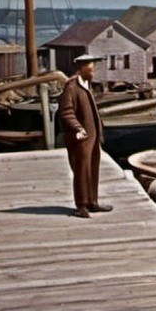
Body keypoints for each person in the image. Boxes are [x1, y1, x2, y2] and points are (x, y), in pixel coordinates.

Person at [57, 54, 112, 218]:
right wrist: (77, 128)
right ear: (80, 68)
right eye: (89, 64)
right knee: (81, 170)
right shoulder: (72, 87)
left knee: (92, 168)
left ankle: (92, 201)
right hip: (80, 137)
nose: (93, 67)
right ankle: (81, 205)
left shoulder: (86, 86)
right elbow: (66, 112)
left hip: (92, 137)